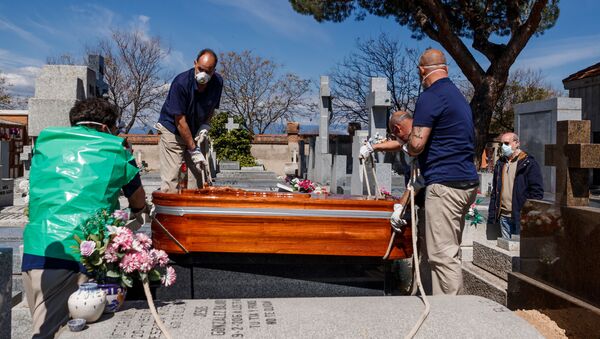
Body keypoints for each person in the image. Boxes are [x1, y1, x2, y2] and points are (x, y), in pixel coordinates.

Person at [22, 98, 147, 338]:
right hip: (79, 251)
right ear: (105, 127)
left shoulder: (47, 142)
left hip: (38, 247)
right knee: (55, 332)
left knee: (45, 323)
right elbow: (138, 201)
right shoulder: (115, 149)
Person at [402, 48, 479, 295]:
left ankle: (450, 319)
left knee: (442, 257)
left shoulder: (431, 96)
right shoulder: (456, 95)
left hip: (445, 184)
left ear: (422, 71)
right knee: (446, 252)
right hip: (464, 181)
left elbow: (417, 143)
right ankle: (438, 305)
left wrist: (409, 147)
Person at [156, 48, 223, 192]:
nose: (203, 74)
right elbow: (180, 121)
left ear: (214, 70)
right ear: (195, 64)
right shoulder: (181, 83)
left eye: (208, 71)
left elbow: (212, 107)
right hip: (173, 130)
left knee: (199, 174)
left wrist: (205, 125)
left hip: (196, 130)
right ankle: (170, 209)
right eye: (200, 69)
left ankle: (194, 209)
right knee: (172, 176)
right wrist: (193, 149)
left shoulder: (217, 83)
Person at [488, 132, 544, 239]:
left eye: (506, 143)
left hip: (520, 217)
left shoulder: (528, 163)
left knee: (518, 253)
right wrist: (492, 216)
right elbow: (495, 191)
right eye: (501, 144)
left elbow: (537, 192)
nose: (503, 147)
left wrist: (528, 214)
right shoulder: (500, 163)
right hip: (503, 216)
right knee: (505, 252)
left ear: (517, 143)